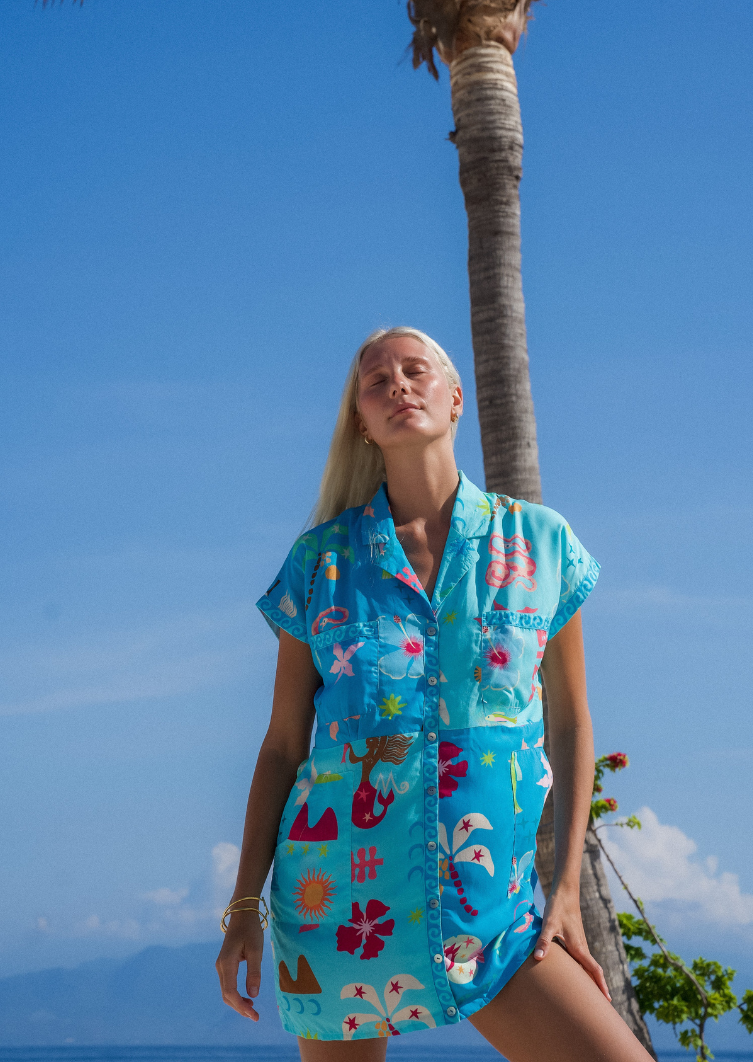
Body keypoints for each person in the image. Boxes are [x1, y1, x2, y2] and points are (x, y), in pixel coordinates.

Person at [216, 327, 651, 1062]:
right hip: (341, 911)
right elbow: (285, 744)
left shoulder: (539, 546)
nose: (398, 386)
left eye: (416, 372)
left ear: (455, 399)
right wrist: (241, 909)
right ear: (362, 421)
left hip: (496, 917)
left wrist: (567, 890)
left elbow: (572, 726)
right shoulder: (320, 564)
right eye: (377, 381)